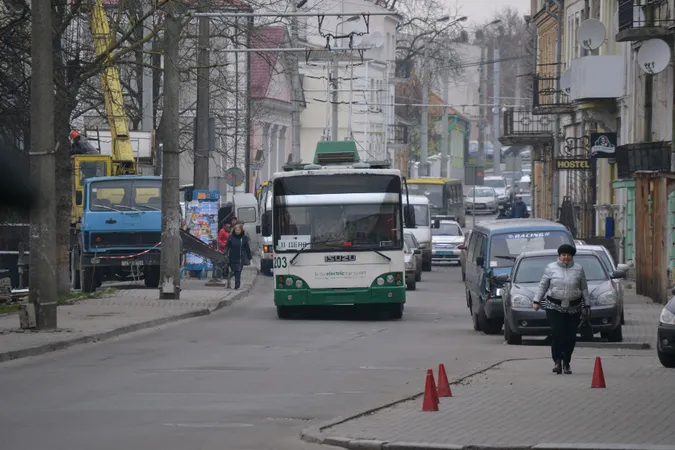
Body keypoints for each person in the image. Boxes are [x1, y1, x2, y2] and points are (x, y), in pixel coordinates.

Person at [533, 244, 590, 375]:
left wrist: (587, 305)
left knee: (570, 336)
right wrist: (536, 301)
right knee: (558, 334)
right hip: (554, 307)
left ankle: (567, 362)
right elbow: (543, 286)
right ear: (559, 256)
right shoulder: (550, 268)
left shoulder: (578, 269)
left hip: (573, 307)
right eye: (563, 255)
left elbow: (584, 288)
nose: (566, 257)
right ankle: (557, 361)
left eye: (568, 255)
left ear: (572, 256)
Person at [225, 223, 252, 289]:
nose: (237, 231)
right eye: (236, 230)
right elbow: (227, 246)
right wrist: (225, 253)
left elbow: (247, 248)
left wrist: (249, 256)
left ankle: (237, 284)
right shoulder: (231, 237)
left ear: (241, 230)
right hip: (232, 257)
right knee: (234, 270)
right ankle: (231, 279)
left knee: (238, 271)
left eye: (238, 230)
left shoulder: (244, 238)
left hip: (240, 258)